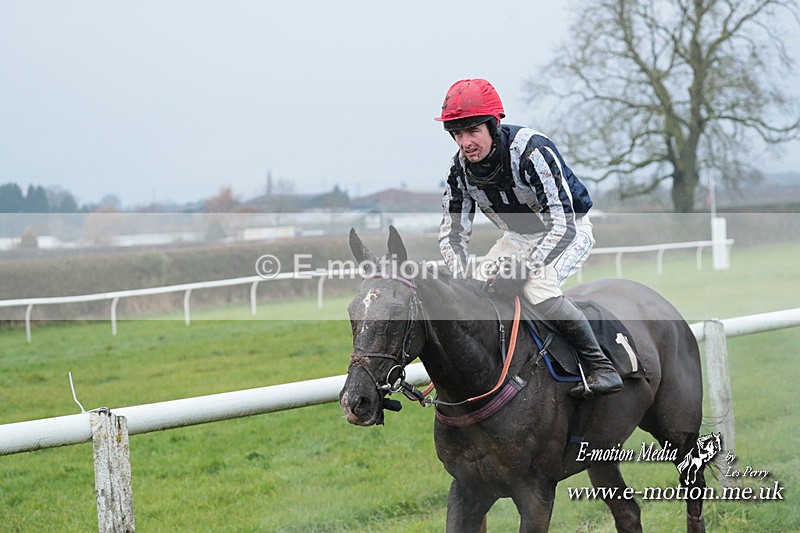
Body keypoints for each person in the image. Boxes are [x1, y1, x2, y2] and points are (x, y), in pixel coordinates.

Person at [435, 78, 622, 397]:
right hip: (518, 236)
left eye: (473, 131)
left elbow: (562, 223)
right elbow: (452, 233)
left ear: (493, 125)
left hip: (568, 229)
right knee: (477, 294)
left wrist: (522, 270)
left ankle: (600, 366)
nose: (465, 143)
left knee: (536, 287)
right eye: (457, 134)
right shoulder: (459, 170)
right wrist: (462, 274)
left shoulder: (532, 150)